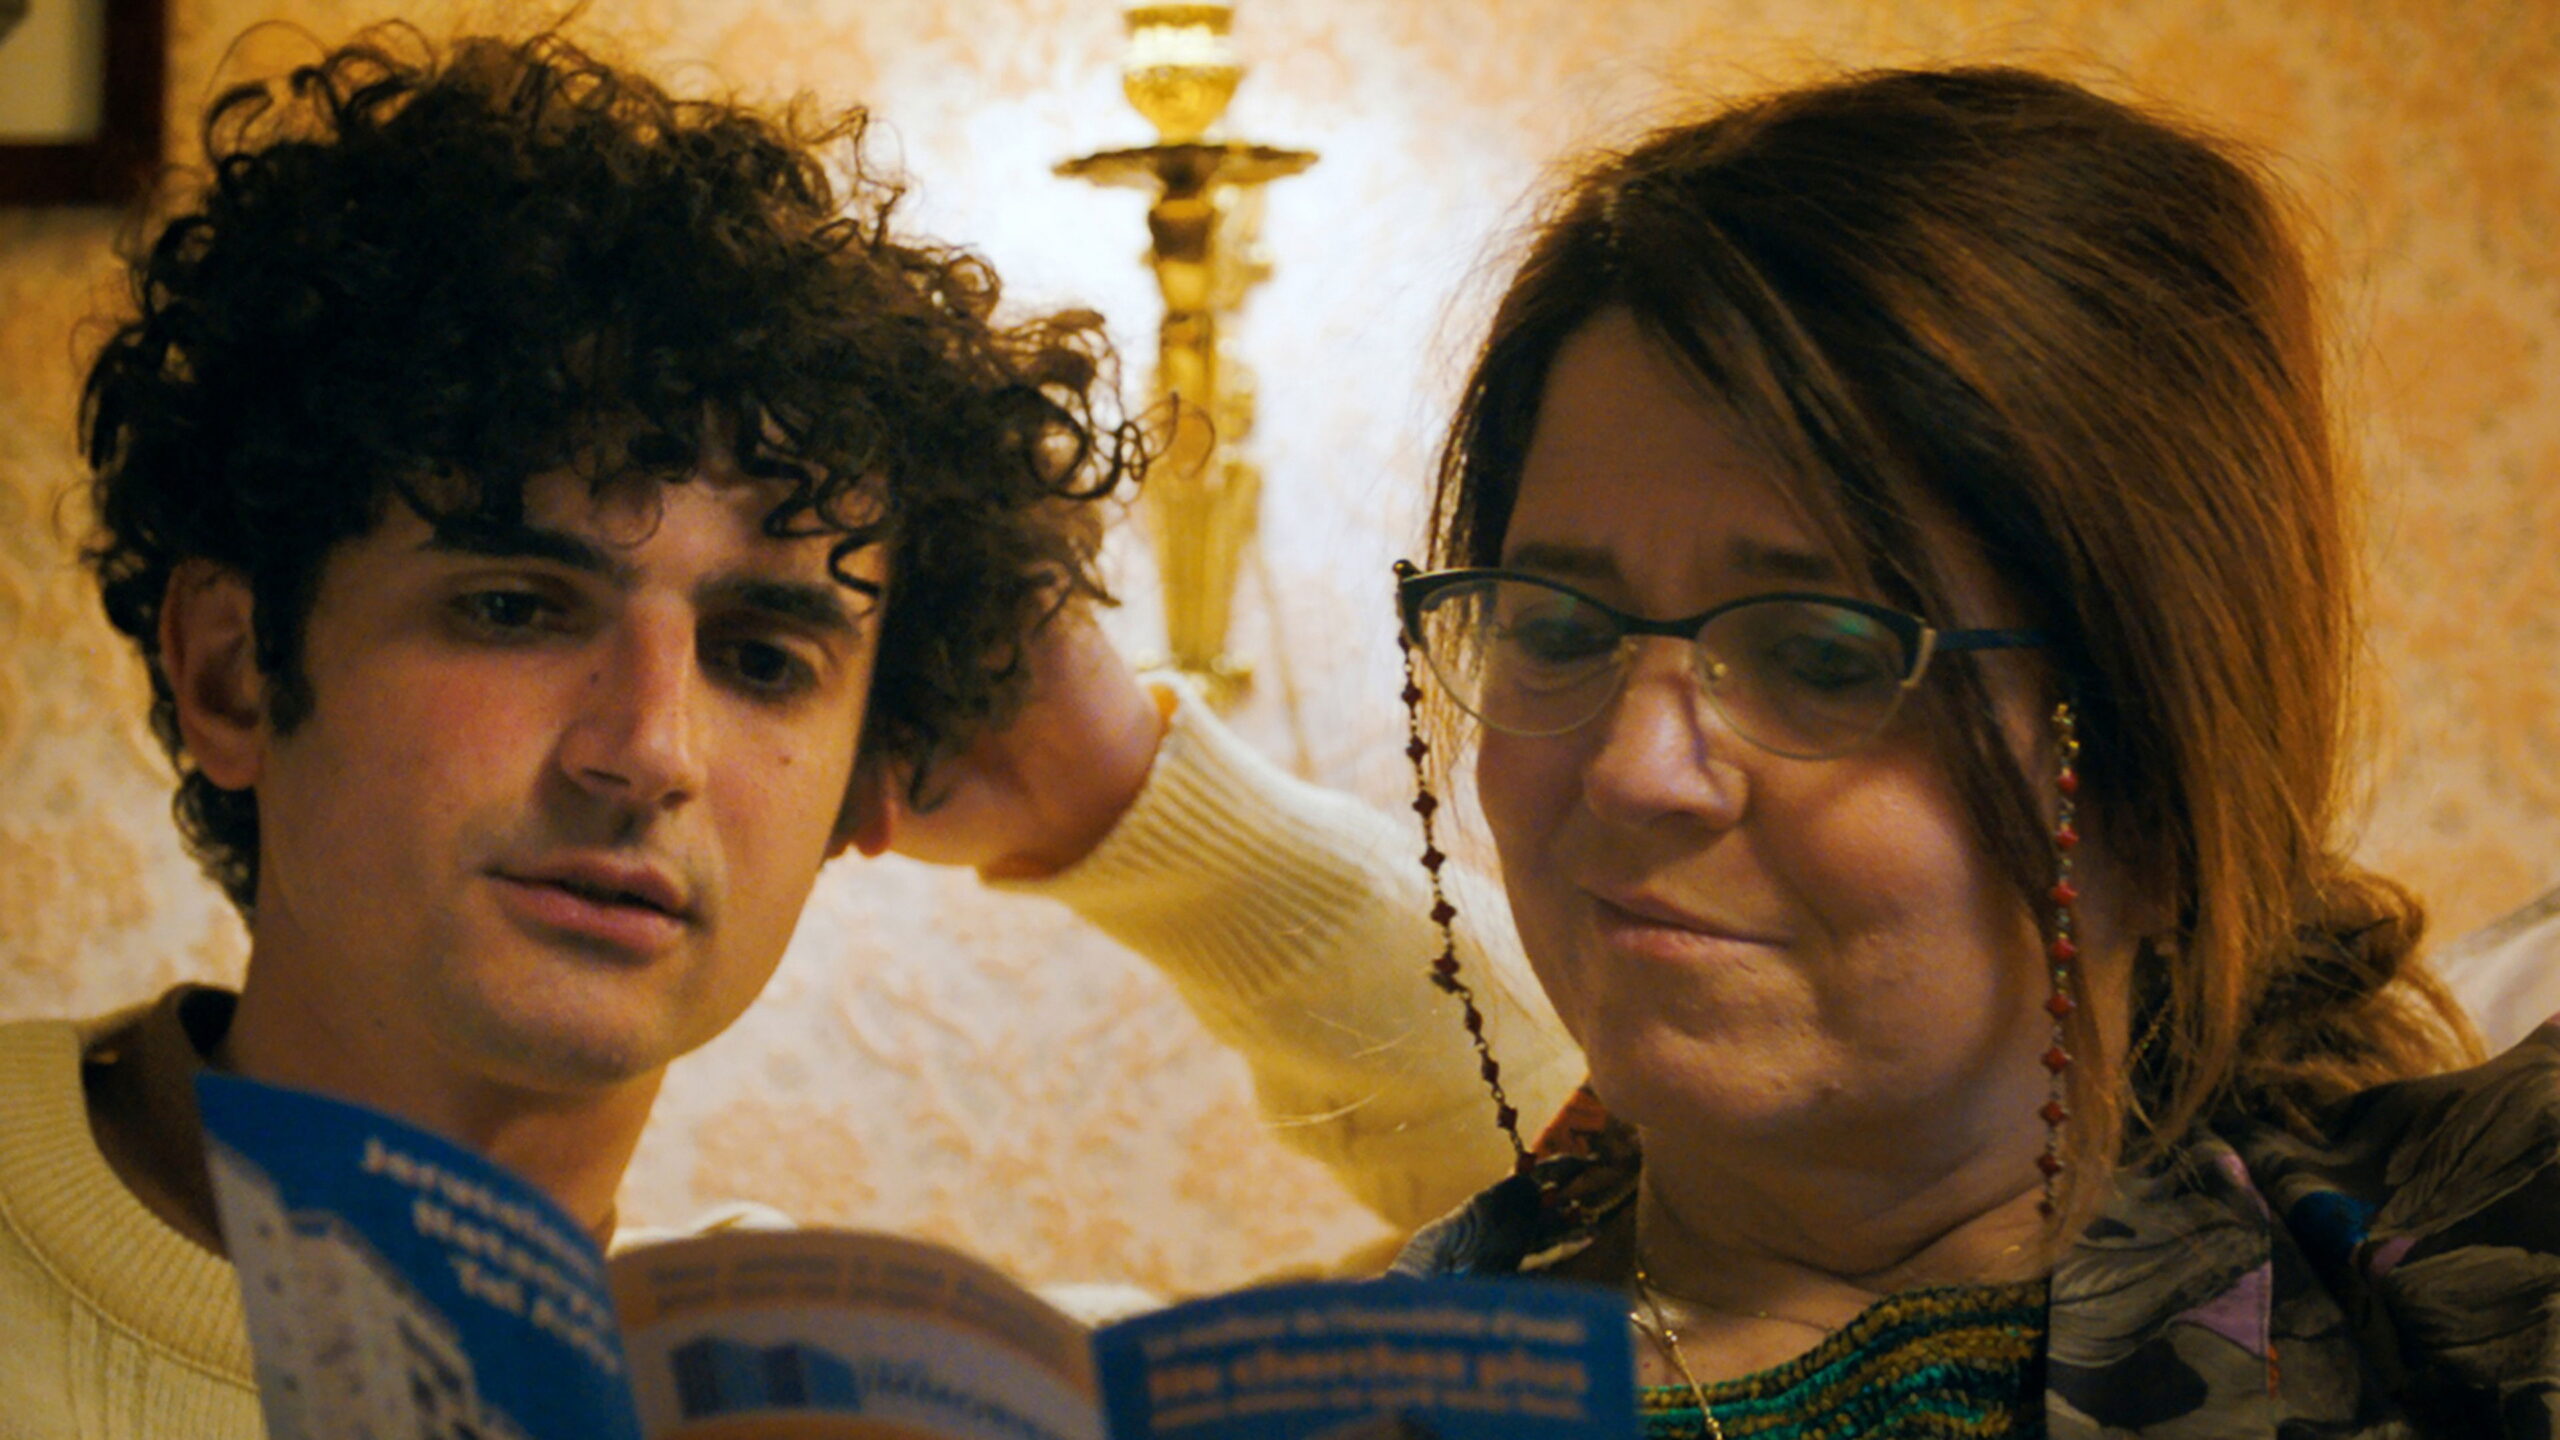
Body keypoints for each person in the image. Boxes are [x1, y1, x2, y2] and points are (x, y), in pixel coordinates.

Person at [904, 64, 2560, 1438]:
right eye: (1558, 628)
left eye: (1825, 657)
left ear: (2152, 790)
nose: (1636, 768)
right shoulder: (1358, 1388)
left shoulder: (2457, 1299)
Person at [0, 26, 1156, 1434]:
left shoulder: (865, 1385)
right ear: (234, 673)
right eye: (513, 609)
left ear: (870, 781)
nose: (648, 751)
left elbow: (1438, 1283)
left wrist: (1128, 795)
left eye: (762, 658)